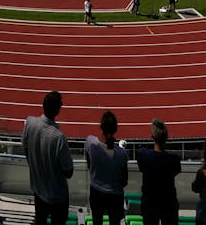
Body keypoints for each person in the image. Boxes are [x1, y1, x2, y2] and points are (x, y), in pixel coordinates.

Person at [23, 91, 73, 225]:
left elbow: (26, 148)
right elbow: (69, 172)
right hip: (57, 196)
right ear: (57, 109)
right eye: (60, 103)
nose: (62, 104)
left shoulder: (29, 123)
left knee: (39, 220)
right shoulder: (59, 137)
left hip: (38, 190)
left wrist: (35, 167)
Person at [85, 111, 129, 225]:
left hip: (96, 192)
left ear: (101, 126)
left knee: (97, 222)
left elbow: (89, 163)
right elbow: (124, 181)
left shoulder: (90, 143)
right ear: (115, 129)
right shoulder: (122, 154)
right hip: (115, 196)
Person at [135, 118, 182, 225]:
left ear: (152, 136)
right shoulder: (174, 159)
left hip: (150, 204)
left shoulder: (143, 155)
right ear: (166, 138)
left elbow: (141, 160)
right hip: (169, 204)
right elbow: (176, 170)